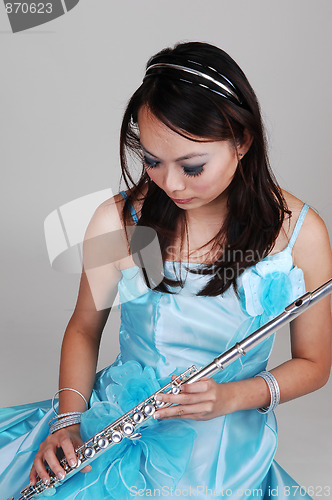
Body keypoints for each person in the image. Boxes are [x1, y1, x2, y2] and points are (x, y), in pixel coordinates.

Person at [0, 41, 331, 500]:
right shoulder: (119, 220)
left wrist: (231, 397)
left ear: (242, 140)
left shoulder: (301, 234)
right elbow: (82, 328)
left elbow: (314, 365)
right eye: (152, 161)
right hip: (118, 417)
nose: (170, 184)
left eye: (192, 167)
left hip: (223, 448)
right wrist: (69, 421)